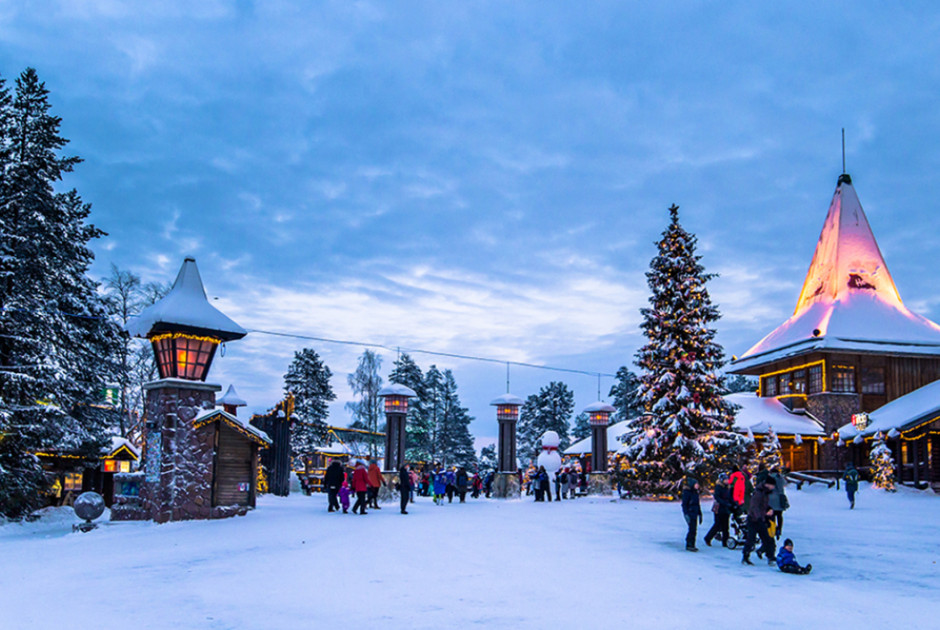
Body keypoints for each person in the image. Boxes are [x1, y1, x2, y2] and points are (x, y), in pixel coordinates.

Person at [741, 477, 777, 565]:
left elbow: (763, 505)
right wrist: (760, 518)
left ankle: (771, 557)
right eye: (773, 486)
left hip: (761, 518)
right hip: (754, 519)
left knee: (767, 539)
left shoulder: (765, 492)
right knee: (751, 539)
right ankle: (745, 557)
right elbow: (754, 507)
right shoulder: (758, 493)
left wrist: (769, 509)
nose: (773, 488)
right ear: (768, 484)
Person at [704, 472, 733, 547]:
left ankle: (725, 541)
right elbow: (717, 497)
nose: (727, 481)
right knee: (717, 524)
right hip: (719, 508)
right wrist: (724, 503)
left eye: (727, 480)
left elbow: (730, 497)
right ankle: (708, 538)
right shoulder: (718, 487)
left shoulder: (728, 487)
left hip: (726, 508)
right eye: (725, 480)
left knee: (725, 526)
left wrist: (733, 503)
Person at [681, 476, 702, 552]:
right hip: (690, 512)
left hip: (695, 512)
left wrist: (699, 513)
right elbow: (684, 504)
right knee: (692, 529)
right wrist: (686, 514)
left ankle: (691, 543)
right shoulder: (687, 493)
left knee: (694, 529)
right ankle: (690, 544)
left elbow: (697, 504)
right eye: (696, 484)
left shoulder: (695, 493)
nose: (697, 486)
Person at [767, 467, 789, 539]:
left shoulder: (769, 477)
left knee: (772, 515)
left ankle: (773, 529)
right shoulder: (781, 477)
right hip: (780, 498)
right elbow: (785, 483)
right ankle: (779, 528)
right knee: (779, 515)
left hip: (771, 499)